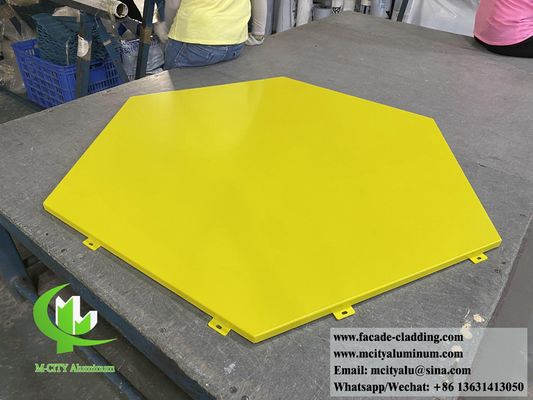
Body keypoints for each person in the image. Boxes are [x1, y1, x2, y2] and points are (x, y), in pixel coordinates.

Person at [161, 0, 251, 69]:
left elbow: (173, 4)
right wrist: (257, 33)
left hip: (195, 42)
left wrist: (166, 28)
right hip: (236, 43)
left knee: (172, 78)